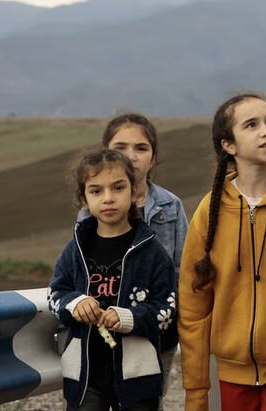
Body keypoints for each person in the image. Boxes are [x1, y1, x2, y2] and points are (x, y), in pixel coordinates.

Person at [177, 93, 266, 411]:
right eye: (251, 125)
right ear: (228, 145)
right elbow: (193, 310)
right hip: (230, 372)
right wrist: (197, 393)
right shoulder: (209, 212)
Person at [49, 148, 176, 410]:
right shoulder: (76, 248)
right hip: (86, 376)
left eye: (118, 188)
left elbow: (167, 310)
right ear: (83, 199)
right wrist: (75, 303)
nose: (108, 198)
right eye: (96, 191)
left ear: (135, 193)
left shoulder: (153, 252)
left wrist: (128, 318)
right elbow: (55, 295)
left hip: (137, 377)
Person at [78, 113, 188, 408]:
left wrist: (175, 323)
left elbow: (181, 273)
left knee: (147, 403)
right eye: (121, 147)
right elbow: (81, 271)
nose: (131, 156)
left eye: (141, 148)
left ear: (154, 157)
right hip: (102, 332)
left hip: (154, 332)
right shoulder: (91, 211)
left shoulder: (170, 206)